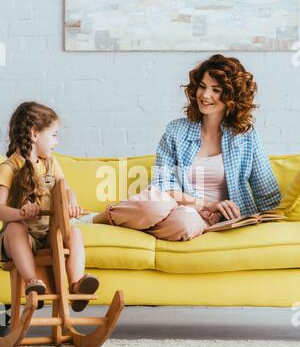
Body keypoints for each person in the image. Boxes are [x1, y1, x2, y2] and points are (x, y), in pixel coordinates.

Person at [80, 54, 282, 241]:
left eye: (216, 90)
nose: (205, 95)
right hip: (174, 205)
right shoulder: (177, 130)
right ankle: (94, 220)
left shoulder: (245, 135)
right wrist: (205, 204)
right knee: (154, 203)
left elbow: (266, 191)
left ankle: (137, 224)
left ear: (232, 97)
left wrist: (277, 226)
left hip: (205, 221)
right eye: (202, 86)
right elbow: (164, 185)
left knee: (184, 225)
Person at [0, 101, 99, 311]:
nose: (57, 142)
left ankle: (77, 284)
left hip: (48, 234)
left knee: (74, 233)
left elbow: (67, 190)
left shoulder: (50, 163)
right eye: (53, 135)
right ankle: (32, 282)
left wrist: (72, 204)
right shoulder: (9, 167)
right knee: (16, 227)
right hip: (20, 238)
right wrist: (19, 213)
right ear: (35, 134)